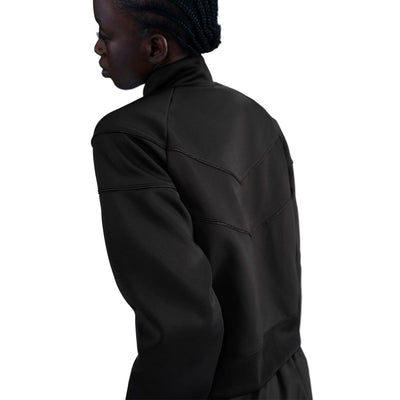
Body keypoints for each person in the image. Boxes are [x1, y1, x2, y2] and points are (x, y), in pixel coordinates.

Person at [91, 0, 313, 399]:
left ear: (155, 48)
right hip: (290, 381)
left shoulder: (130, 137)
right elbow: (282, 276)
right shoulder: (258, 117)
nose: (97, 47)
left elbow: (185, 323)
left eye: (105, 34)